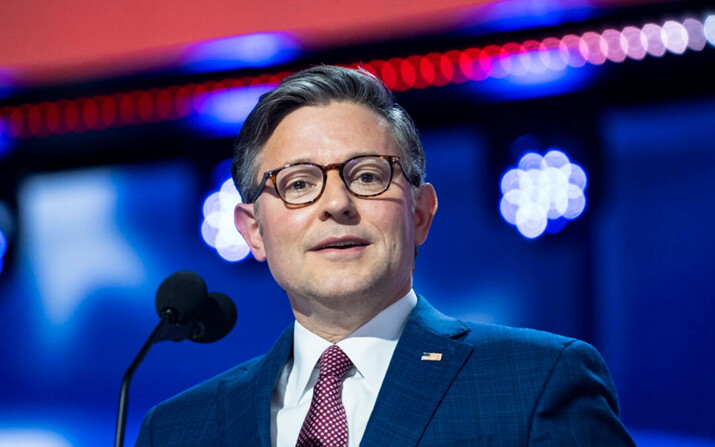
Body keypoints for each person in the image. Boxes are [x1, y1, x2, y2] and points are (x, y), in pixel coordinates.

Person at [135, 65, 635, 446]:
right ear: (253, 232)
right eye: (299, 184)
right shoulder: (177, 429)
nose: (336, 204)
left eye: (368, 176)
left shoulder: (538, 381)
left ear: (420, 213)